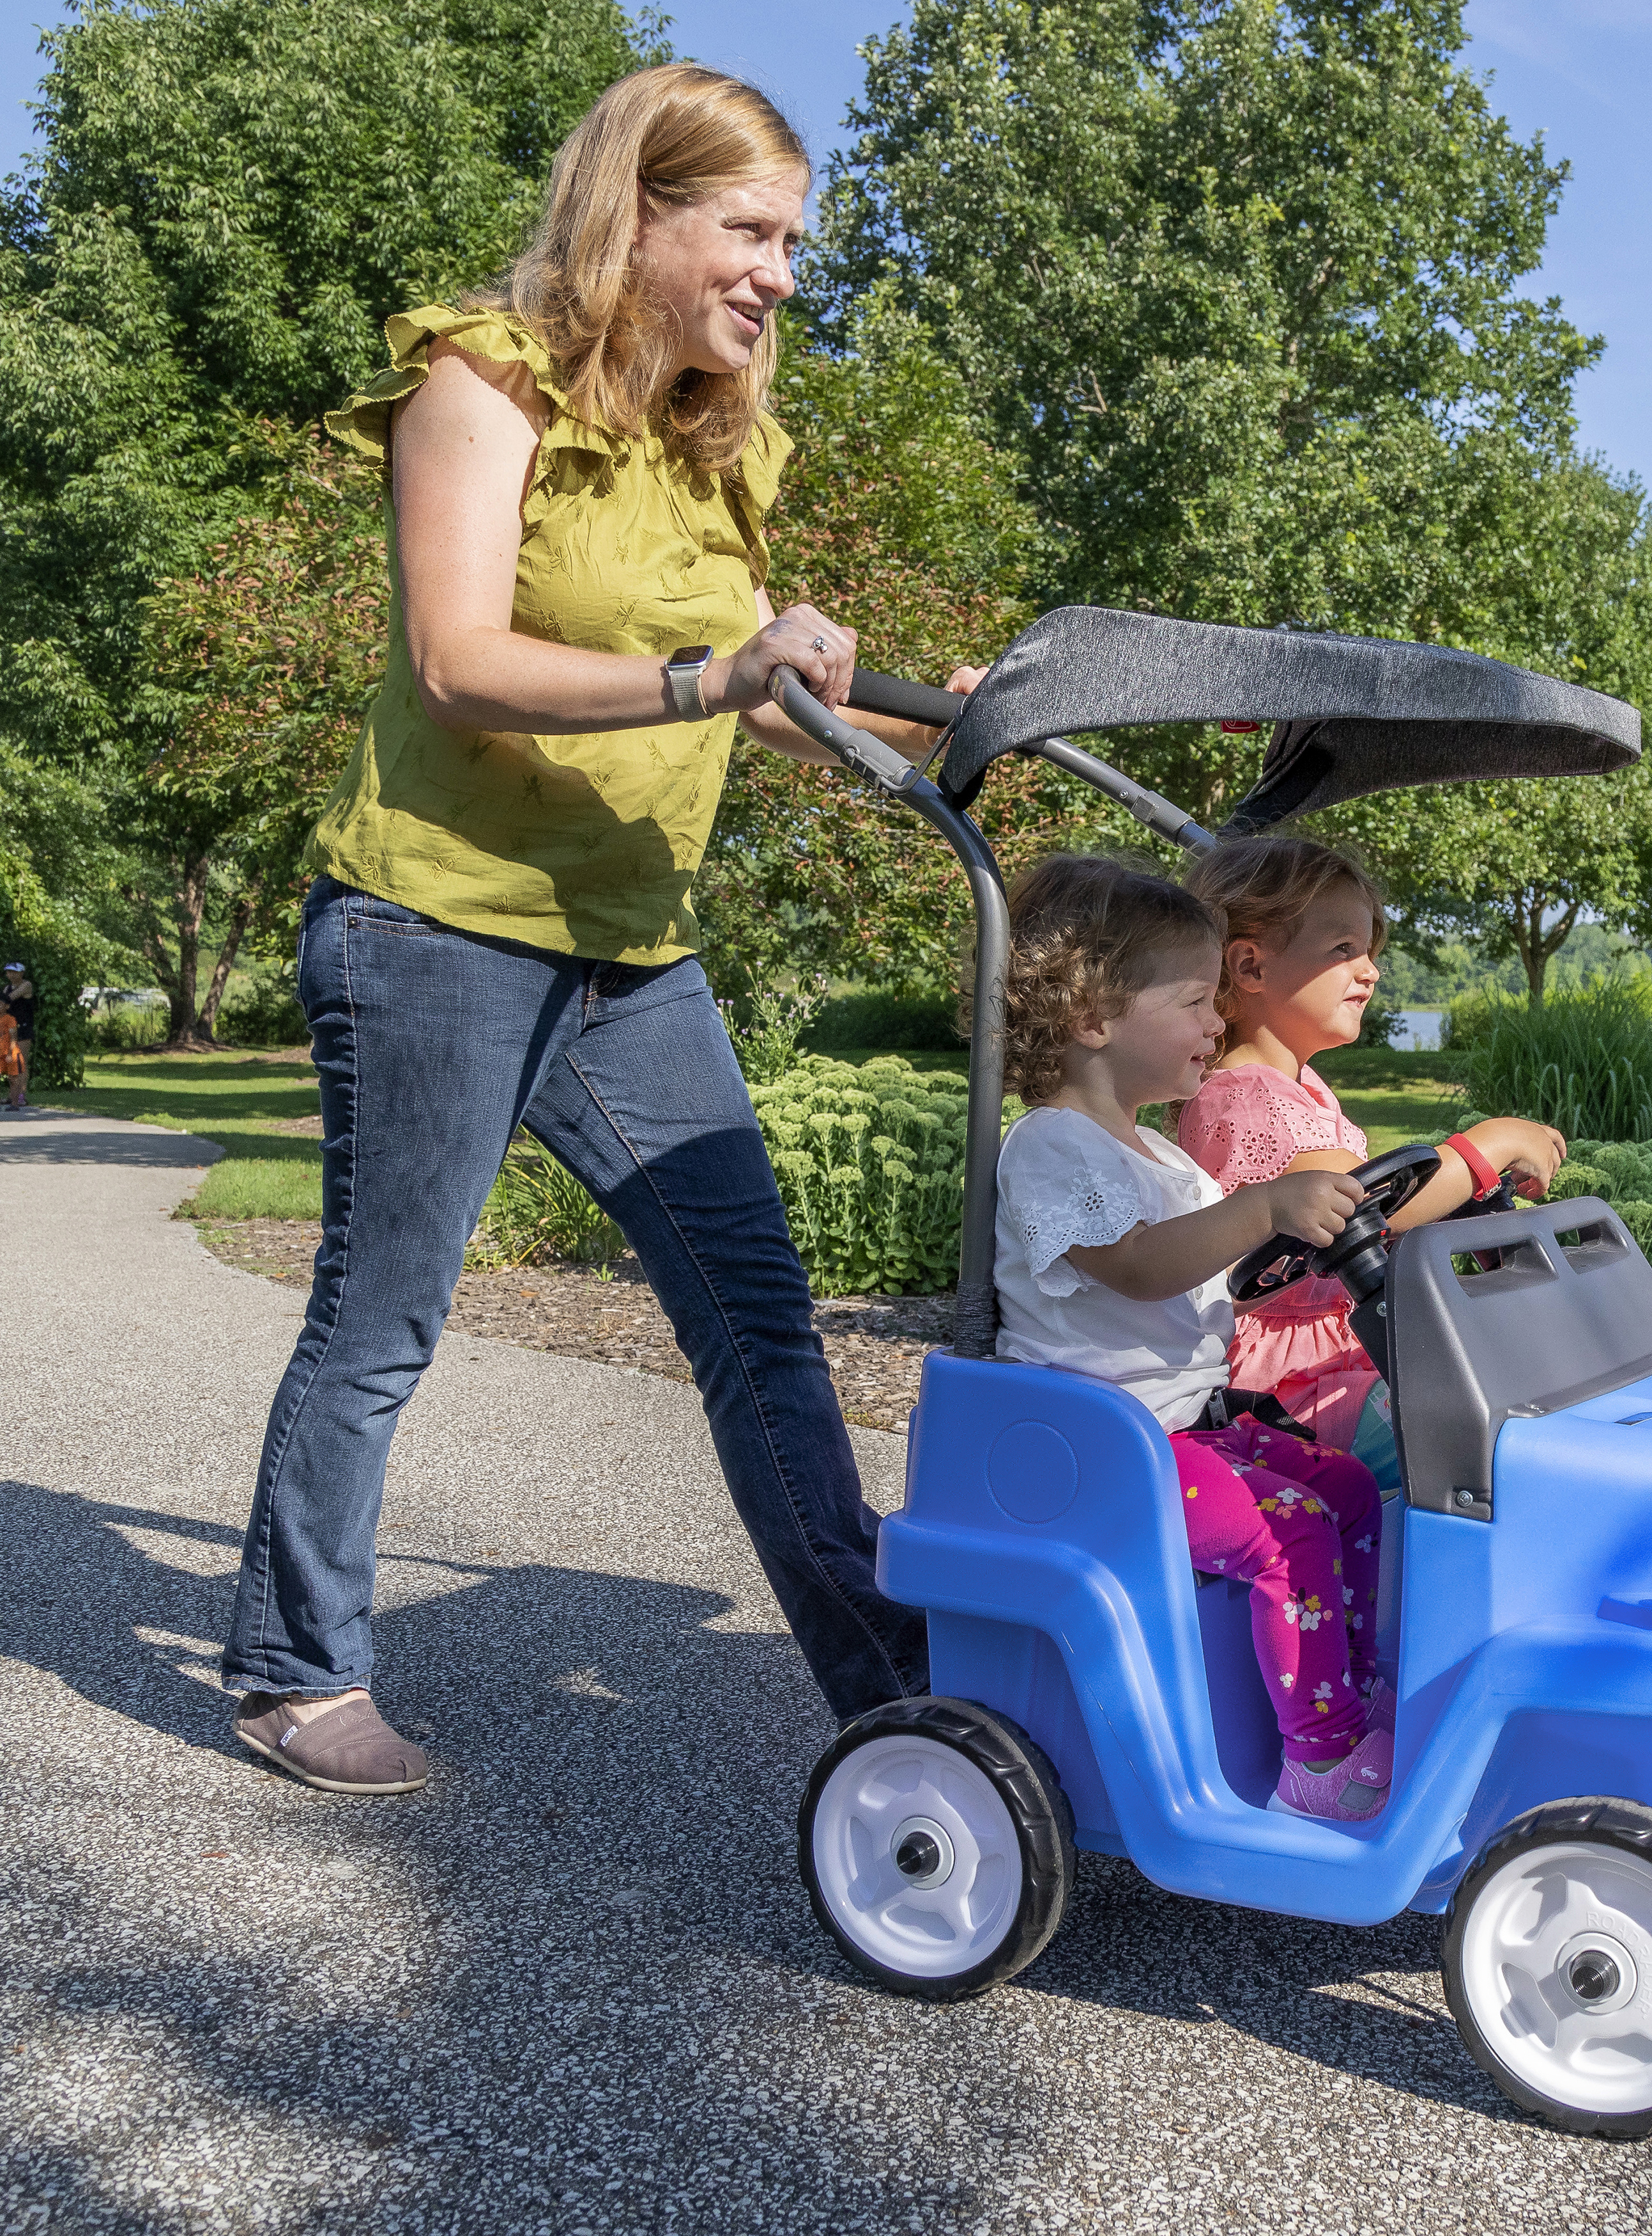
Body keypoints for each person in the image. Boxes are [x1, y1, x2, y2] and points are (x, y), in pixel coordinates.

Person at [222, 65, 963, 1797]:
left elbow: (768, 712)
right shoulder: (483, 383)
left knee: (758, 1320)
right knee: (381, 1317)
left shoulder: (720, 442)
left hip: (630, 953)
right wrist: (718, 667)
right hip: (436, 926)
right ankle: (293, 1666)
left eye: (795, 241)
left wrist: (949, 720)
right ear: (638, 211)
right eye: (752, 230)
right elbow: (458, 661)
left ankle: (887, 1684)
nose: (782, 271)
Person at [991, 855, 1395, 1822]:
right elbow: (1137, 1264)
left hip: (1181, 1428)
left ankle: (1356, 1689)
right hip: (1100, 1447)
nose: (1219, 1025)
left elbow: (1222, 1267)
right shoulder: (1051, 1145)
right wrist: (1262, 1208)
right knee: (1284, 1531)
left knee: (1341, 1485)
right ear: (1094, 1017)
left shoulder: (1159, 1151)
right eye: (1196, 1003)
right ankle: (1318, 1760)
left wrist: (1286, 1235)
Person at [1177, 838, 1566, 1490]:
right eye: (1343, 950)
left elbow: (1388, 1202)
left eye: (1369, 952)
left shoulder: (1299, 1085)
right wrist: (1486, 1146)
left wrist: (1466, 1194)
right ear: (1249, 966)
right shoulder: (1240, 1096)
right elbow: (1356, 1200)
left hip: (1351, 1341)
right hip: (1289, 1379)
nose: (1370, 971)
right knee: (1493, 1445)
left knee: (1520, 1395)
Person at [2, 963, 33, 1110]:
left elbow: (10, 999)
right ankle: (12, 1096)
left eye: (14, 972)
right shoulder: (7, 988)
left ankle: (22, 1096)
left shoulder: (26, 985)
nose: (11, 975)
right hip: (11, 1029)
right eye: (9, 972)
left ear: (22, 973)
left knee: (21, 1063)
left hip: (24, 1028)